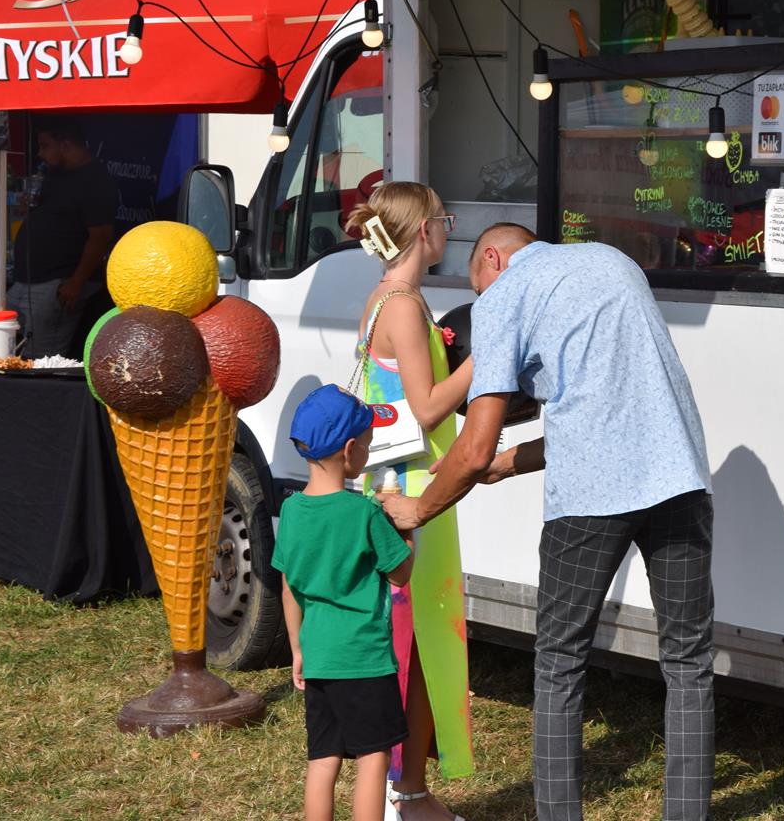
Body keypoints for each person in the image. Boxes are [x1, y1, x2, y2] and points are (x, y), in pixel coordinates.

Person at [379, 223, 714, 821]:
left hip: (590, 499)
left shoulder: (507, 294)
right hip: (680, 479)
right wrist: (513, 462)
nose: (482, 302)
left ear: (491, 260)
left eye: (478, 289)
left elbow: (474, 445)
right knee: (688, 663)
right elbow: (604, 406)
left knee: (560, 664)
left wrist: (419, 507)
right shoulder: (611, 259)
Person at [345, 182, 474, 821]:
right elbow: (427, 408)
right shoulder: (405, 303)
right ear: (424, 230)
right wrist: (485, 357)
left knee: (406, 642)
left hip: (389, 481)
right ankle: (407, 794)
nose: (450, 228)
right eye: (444, 216)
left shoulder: (382, 298)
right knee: (417, 645)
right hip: (416, 488)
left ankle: (402, 787)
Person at [274, 384, 416, 821]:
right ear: (351, 450)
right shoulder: (365, 514)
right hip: (364, 660)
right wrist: (404, 531)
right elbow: (400, 572)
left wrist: (298, 648)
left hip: (318, 656)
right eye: (369, 443)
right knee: (372, 758)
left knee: (323, 757)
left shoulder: (293, 510)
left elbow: (289, 587)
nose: (369, 452)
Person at [9, 116, 117, 357]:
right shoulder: (54, 174)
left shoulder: (94, 180)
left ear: (66, 145)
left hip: (57, 283)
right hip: (25, 281)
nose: (40, 153)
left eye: (45, 145)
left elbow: (100, 236)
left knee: (41, 357)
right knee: (9, 352)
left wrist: (76, 281)